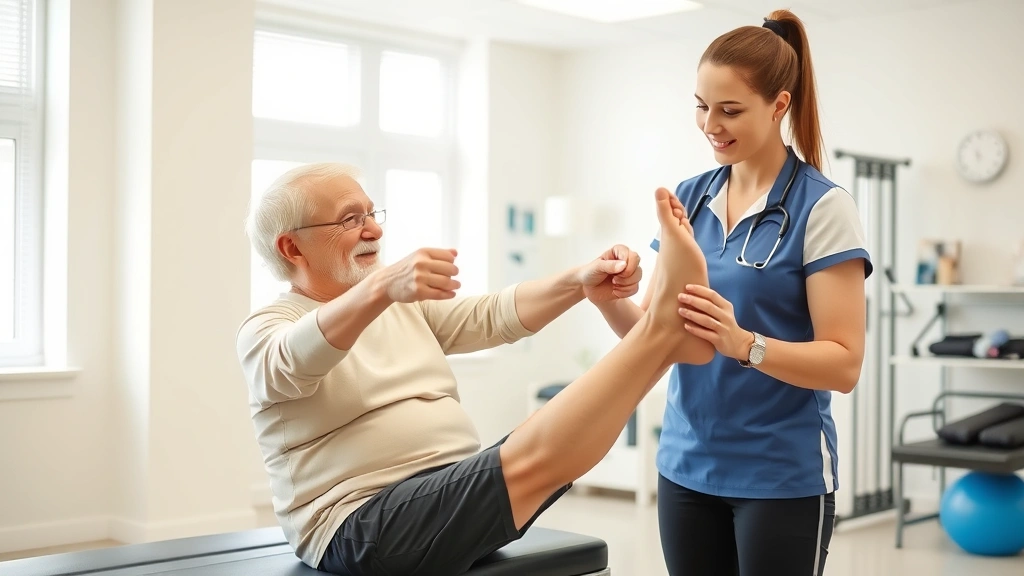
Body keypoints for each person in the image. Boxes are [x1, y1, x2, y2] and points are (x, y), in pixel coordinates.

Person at [235, 161, 715, 576]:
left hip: (445, 491)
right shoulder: (267, 329)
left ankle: (662, 338)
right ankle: (661, 335)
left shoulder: (401, 309)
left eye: (370, 213)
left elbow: (494, 316)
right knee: (529, 457)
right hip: (359, 525)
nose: (374, 230)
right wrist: (381, 287)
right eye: (349, 219)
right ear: (292, 249)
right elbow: (294, 359)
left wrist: (580, 280)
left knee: (549, 456)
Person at [591, 9, 873, 576]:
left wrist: (745, 343)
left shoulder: (822, 207)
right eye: (701, 106)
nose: (710, 125)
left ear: (780, 105)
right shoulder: (690, 198)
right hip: (685, 469)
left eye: (730, 110)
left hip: (781, 476)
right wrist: (604, 295)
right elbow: (654, 336)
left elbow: (844, 364)